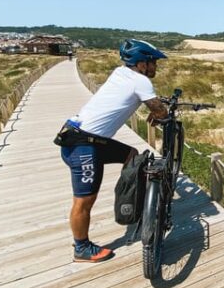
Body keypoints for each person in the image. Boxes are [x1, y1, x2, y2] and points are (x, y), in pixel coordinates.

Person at [56, 39, 168, 263]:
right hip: (83, 145)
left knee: (131, 155)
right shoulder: (140, 81)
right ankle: (82, 248)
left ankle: (130, 199)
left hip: (86, 137)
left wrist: (155, 109)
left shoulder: (120, 73)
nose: (156, 66)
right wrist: (160, 113)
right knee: (84, 201)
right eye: (153, 62)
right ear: (141, 63)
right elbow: (160, 110)